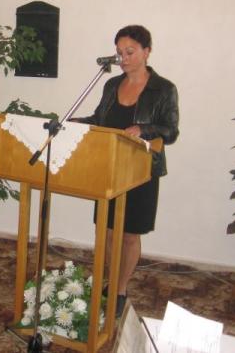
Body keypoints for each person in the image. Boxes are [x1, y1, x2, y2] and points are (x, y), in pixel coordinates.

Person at [73, 25, 179, 317]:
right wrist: (75, 122)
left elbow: (171, 132)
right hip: (108, 166)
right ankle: (110, 279)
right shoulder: (111, 85)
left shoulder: (163, 89)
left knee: (130, 235)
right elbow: (100, 119)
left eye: (130, 52)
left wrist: (144, 129)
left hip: (141, 170)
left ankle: (119, 289)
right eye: (119, 52)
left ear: (147, 51)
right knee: (107, 231)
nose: (123, 58)